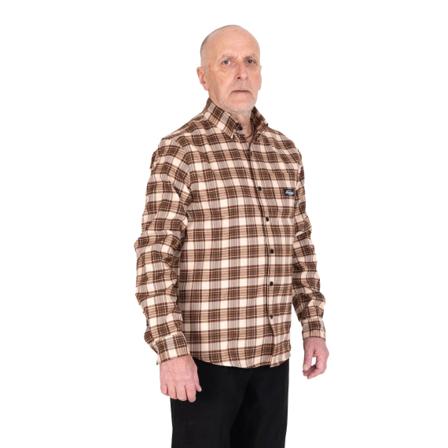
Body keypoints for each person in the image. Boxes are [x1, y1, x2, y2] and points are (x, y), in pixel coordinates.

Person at [134, 24, 330, 448]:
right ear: (203, 76)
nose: (241, 72)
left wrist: (313, 326)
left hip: (272, 360)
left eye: (250, 61)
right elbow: (154, 258)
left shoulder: (285, 152)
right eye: (226, 62)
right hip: (205, 363)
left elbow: (300, 245)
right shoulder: (180, 151)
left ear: (261, 73)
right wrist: (171, 351)